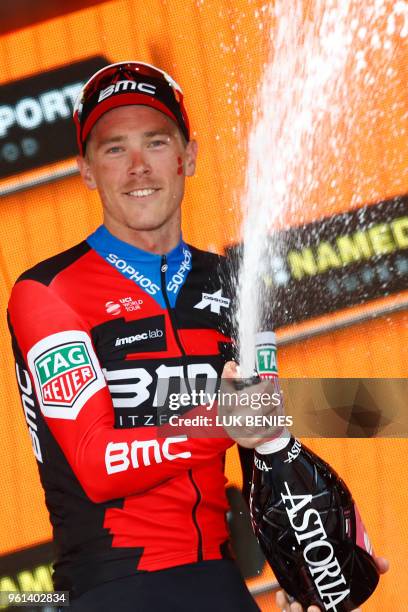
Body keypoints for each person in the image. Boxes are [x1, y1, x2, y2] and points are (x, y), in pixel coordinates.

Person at [7, 61, 388, 612]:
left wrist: (307, 559)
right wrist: (221, 421)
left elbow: (266, 453)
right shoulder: (47, 291)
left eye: (156, 142)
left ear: (188, 156)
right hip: (110, 589)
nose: (138, 167)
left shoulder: (234, 287)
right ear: (86, 170)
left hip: (219, 583)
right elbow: (95, 462)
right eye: (114, 148)